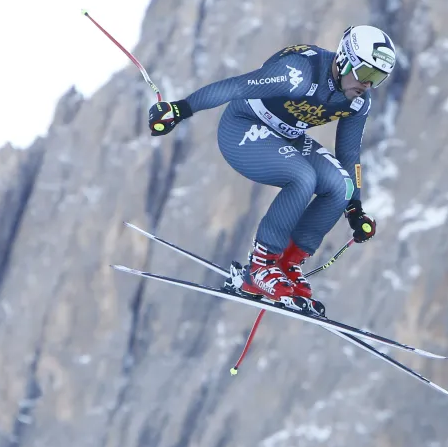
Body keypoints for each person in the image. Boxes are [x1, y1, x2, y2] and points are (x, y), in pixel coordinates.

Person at [146, 25, 397, 310]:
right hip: (243, 127)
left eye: (377, 78)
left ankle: (288, 263)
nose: (367, 85)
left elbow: (349, 152)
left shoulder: (358, 101)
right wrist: (179, 109)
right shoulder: (299, 74)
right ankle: (261, 267)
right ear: (344, 60)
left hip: (288, 134)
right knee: (303, 178)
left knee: (340, 186)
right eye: (365, 73)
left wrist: (355, 209)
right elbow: (237, 86)